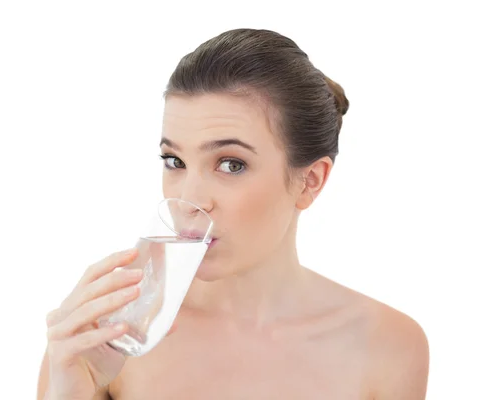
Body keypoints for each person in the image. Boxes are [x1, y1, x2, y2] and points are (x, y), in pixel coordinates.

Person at [37, 28, 430, 400]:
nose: (189, 199)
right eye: (174, 161)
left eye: (231, 164)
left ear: (310, 181)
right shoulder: (112, 337)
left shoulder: (389, 346)